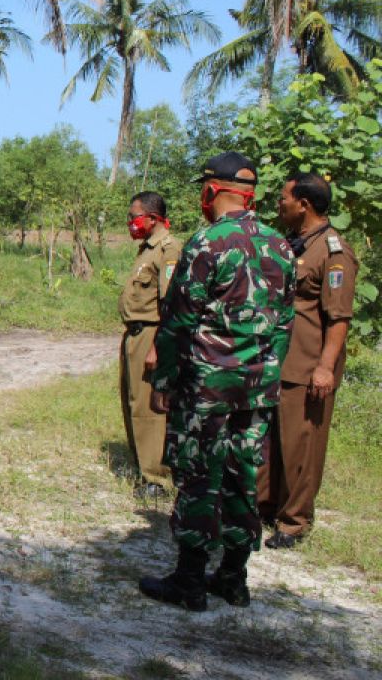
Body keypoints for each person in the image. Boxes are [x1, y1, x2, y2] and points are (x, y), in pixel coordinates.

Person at [141, 151, 295, 611]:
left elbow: (179, 318)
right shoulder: (281, 246)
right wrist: (267, 375)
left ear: (211, 191)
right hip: (257, 386)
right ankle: (233, 576)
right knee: (242, 476)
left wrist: (164, 380)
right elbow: (285, 323)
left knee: (198, 476)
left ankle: (189, 581)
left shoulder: (208, 242)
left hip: (206, 386)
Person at [258, 172, 357, 549]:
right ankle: (266, 505)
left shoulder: (333, 253)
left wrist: (325, 367)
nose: (279, 203)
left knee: (302, 443)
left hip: (308, 364)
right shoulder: (295, 244)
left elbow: (339, 317)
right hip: (280, 360)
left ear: (305, 204)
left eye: (285, 197)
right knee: (273, 441)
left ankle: (295, 521)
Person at [118, 191, 181, 499]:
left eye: (135, 217)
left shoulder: (168, 250)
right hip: (134, 333)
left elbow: (169, 304)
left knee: (148, 408)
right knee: (132, 401)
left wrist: (158, 347)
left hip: (151, 335)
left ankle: (157, 478)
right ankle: (141, 465)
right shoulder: (146, 250)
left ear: (154, 218)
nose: (131, 223)